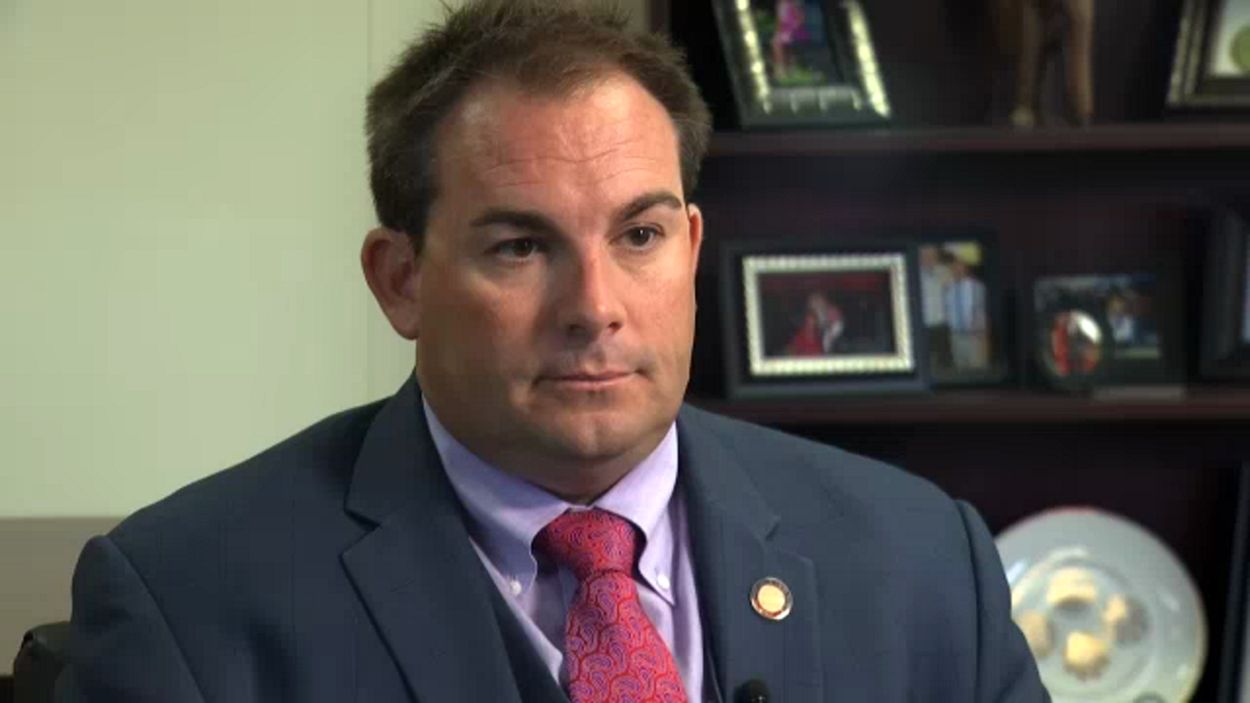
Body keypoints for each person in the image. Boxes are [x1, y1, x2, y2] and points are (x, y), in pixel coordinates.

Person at [56, 2, 1048, 701]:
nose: (593, 308)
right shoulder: (188, 602)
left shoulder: (920, 561)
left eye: (639, 235)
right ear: (400, 280)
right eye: (521, 247)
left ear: (691, 248)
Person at [943, 252, 990, 370]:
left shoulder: (977, 287)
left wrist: (983, 336)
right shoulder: (948, 289)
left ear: (965, 267)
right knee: (960, 370)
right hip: (955, 337)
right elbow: (948, 311)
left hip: (974, 336)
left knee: (977, 369)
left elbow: (983, 312)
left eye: (959, 266)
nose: (956, 269)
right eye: (953, 267)